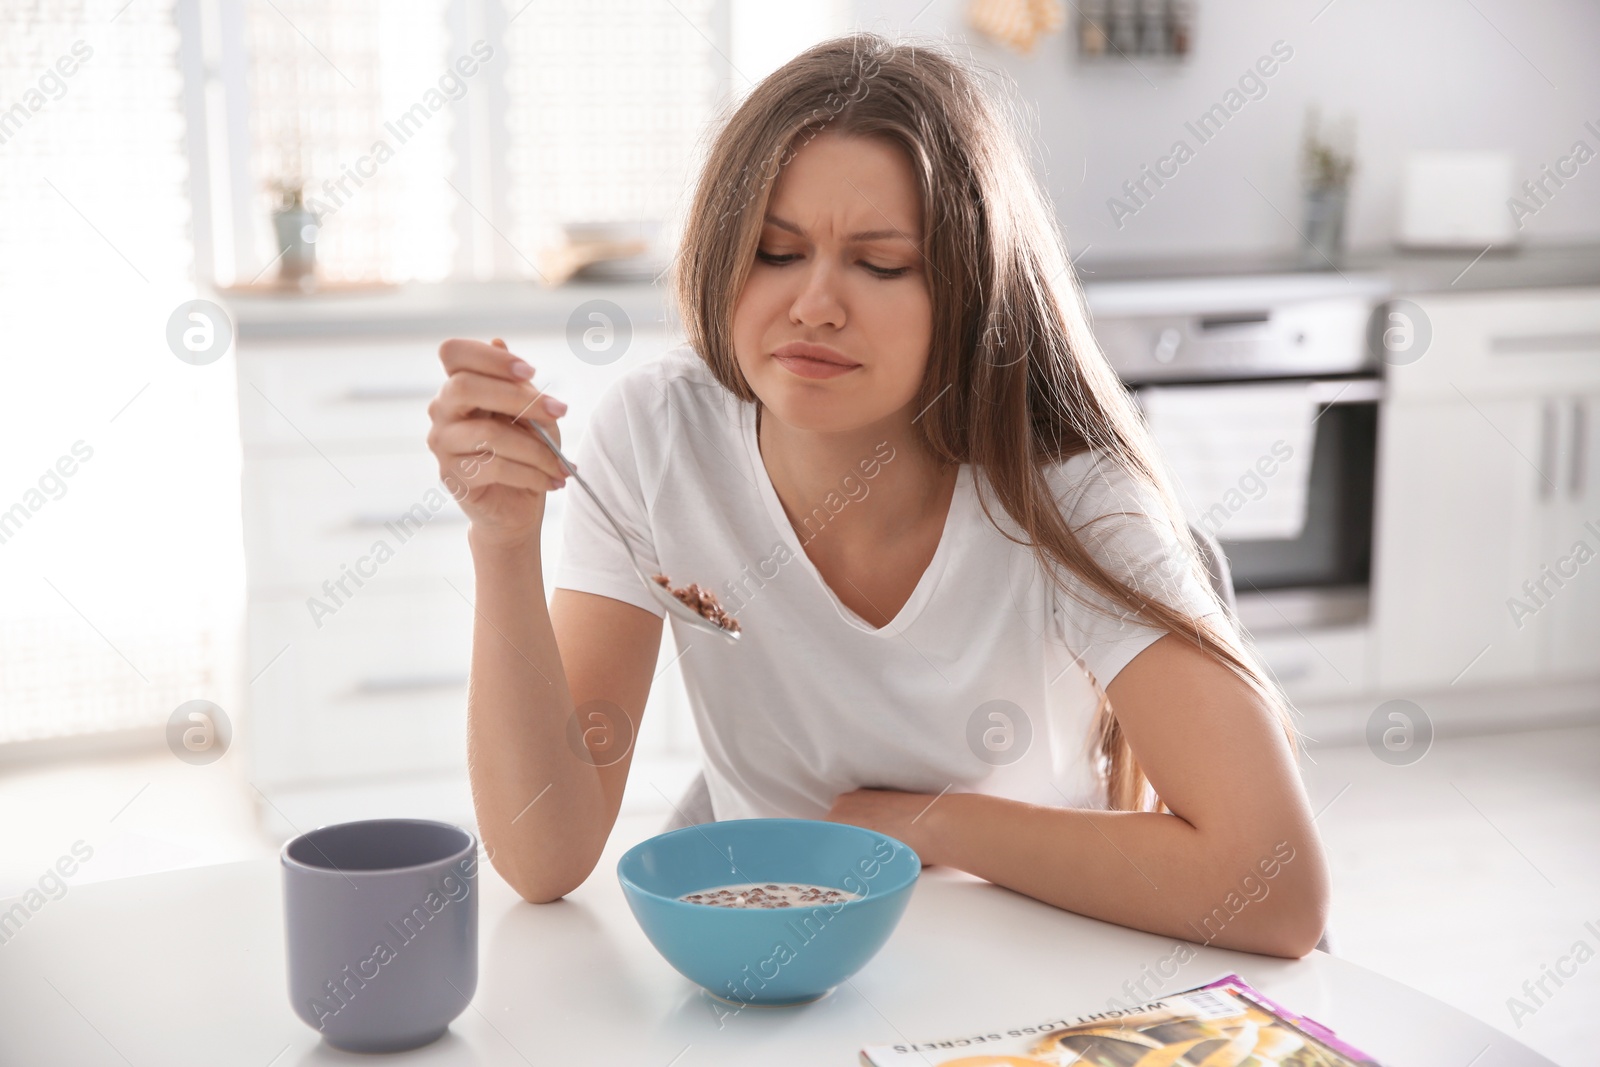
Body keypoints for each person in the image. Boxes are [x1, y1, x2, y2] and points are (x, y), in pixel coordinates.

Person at [425, 33, 1329, 957]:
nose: (815, 302)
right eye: (776, 251)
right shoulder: (660, 437)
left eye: (881, 263)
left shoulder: (1065, 492)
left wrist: (932, 825)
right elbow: (543, 855)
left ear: (972, 293)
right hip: (777, 968)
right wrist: (502, 543)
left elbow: (1278, 888)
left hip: (1033, 967)